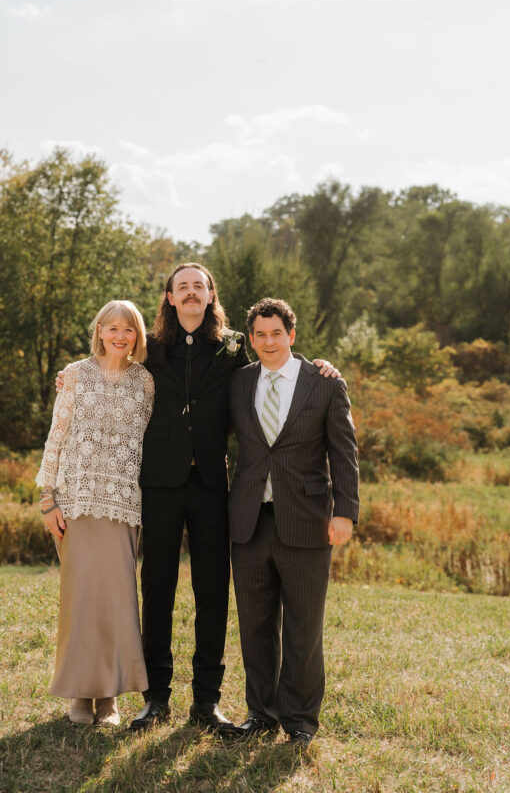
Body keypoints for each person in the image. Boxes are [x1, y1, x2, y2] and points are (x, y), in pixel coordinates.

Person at [57, 265, 338, 734]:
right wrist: (72, 376)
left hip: (212, 485)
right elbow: (109, 363)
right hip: (160, 485)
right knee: (158, 591)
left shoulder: (231, 347)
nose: (190, 292)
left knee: (212, 594)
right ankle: (156, 699)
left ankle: (206, 703)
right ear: (169, 297)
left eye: (198, 286)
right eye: (182, 286)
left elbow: (275, 361)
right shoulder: (150, 348)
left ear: (210, 296)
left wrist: (319, 366)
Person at [229, 298, 359, 746]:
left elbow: (344, 451)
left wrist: (345, 511)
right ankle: (260, 713)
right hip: (248, 522)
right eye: (260, 335)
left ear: (291, 335)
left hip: (307, 520)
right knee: (255, 624)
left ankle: (300, 720)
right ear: (251, 339)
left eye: (276, 333)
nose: (269, 342)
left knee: (304, 626)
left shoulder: (323, 383)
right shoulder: (239, 382)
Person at [37, 299, 154, 727]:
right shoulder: (75, 376)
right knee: (80, 600)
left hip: (124, 504)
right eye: (112, 328)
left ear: (137, 336)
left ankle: (109, 697)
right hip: (76, 502)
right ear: (99, 331)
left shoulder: (145, 382)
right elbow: (57, 437)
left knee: (118, 600)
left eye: (128, 329)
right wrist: (48, 498)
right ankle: (80, 695)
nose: (120, 336)